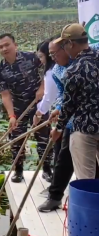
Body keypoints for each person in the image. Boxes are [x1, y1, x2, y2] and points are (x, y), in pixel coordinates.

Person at [37, 33, 99, 212]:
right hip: (74, 120)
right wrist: (58, 109)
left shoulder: (77, 67)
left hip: (81, 123)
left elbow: (71, 102)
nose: (53, 58)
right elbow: (65, 97)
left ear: (67, 47)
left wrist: (58, 127)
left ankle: (86, 207)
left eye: (55, 53)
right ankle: (55, 196)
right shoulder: (58, 70)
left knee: (82, 169)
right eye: (50, 55)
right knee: (63, 159)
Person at [0, 33, 53, 183]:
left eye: (7, 45)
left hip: (38, 103)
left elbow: (46, 72)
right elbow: (5, 95)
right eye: (1, 47)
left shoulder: (31, 57)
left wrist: (42, 88)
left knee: (43, 137)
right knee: (16, 139)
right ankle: (18, 170)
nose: (4, 48)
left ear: (15, 45)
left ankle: (47, 169)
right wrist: (11, 116)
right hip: (18, 105)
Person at [51, 23, 99, 180]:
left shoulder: (74, 70)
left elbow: (69, 104)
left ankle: (89, 204)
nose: (64, 49)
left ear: (70, 44)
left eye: (64, 45)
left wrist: (58, 128)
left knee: (86, 179)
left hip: (86, 128)